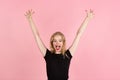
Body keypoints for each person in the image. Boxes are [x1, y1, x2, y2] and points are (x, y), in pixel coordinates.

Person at [25, 9, 94, 80]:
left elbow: (79, 34)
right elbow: (37, 36)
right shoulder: (48, 55)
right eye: (55, 41)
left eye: (60, 41)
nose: (57, 43)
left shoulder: (68, 55)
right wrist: (30, 20)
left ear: (63, 43)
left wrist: (87, 19)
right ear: (52, 43)